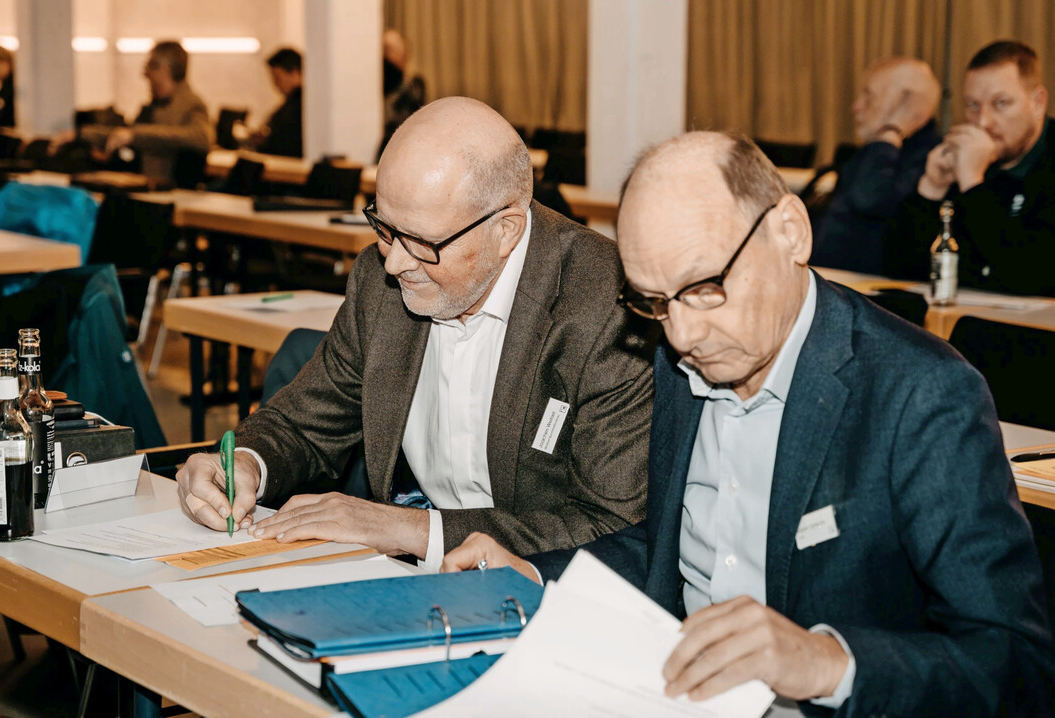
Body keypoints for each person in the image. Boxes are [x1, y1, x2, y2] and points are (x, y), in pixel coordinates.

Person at [442, 131, 1054, 716]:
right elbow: (662, 553)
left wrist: (826, 662)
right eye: (654, 301)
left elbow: (1015, 664)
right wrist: (536, 571)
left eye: (705, 287)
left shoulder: (920, 395)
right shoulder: (679, 359)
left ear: (790, 232)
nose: (682, 334)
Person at [176, 97, 654, 570]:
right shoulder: (377, 282)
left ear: (506, 229)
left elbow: (611, 525)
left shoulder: (606, 308)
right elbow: (306, 420)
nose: (394, 262)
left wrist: (406, 528)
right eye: (384, 228)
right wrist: (244, 463)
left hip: (546, 599)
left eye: (423, 243)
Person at [893, 40, 1055, 295]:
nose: (983, 122)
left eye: (1001, 103)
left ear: (1037, 102)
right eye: (973, 105)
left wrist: (972, 182)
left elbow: (1029, 275)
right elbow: (901, 269)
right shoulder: (964, 156)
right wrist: (931, 189)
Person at [810, 57, 941, 275]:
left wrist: (891, 131)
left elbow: (869, 198)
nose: (856, 106)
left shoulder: (930, 158)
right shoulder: (877, 150)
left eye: (869, 96)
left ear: (908, 105)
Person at [64, 41, 214, 187]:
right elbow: (123, 134)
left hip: (167, 190)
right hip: (142, 184)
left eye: (149, 66)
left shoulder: (192, 105)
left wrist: (135, 136)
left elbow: (201, 137)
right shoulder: (155, 107)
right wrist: (80, 135)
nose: (145, 73)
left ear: (163, 70)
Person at [379, 28, 426, 157]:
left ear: (403, 54)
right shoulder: (377, 87)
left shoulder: (413, 87)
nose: (384, 56)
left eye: (389, 50)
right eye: (382, 50)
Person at [252, 47, 303, 158]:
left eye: (277, 78)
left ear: (295, 73)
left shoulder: (299, 106)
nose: (275, 84)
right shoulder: (292, 103)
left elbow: (282, 142)